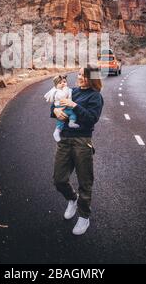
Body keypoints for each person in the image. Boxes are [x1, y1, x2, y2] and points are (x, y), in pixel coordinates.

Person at [50, 65, 104, 235]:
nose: (80, 78)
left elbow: (91, 119)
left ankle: (84, 217)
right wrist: (56, 111)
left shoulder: (96, 97)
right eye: (79, 74)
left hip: (82, 141)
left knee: (85, 182)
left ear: (93, 79)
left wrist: (74, 106)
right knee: (59, 180)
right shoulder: (72, 90)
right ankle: (72, 199)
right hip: (64, 140)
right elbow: (55, 104)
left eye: (84, 76)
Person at [44, 74, 79, 142]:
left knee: (72, 114)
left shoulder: (68, 89)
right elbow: (63, 96)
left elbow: (70, 94)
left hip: (67, 107)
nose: (63, 84)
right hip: (61, 107)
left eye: (64, 82)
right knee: (61, 120)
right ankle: (57, 132)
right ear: (56, 85)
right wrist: (54, 110)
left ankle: (71, 123)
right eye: (60, 83)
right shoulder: (57, 92)